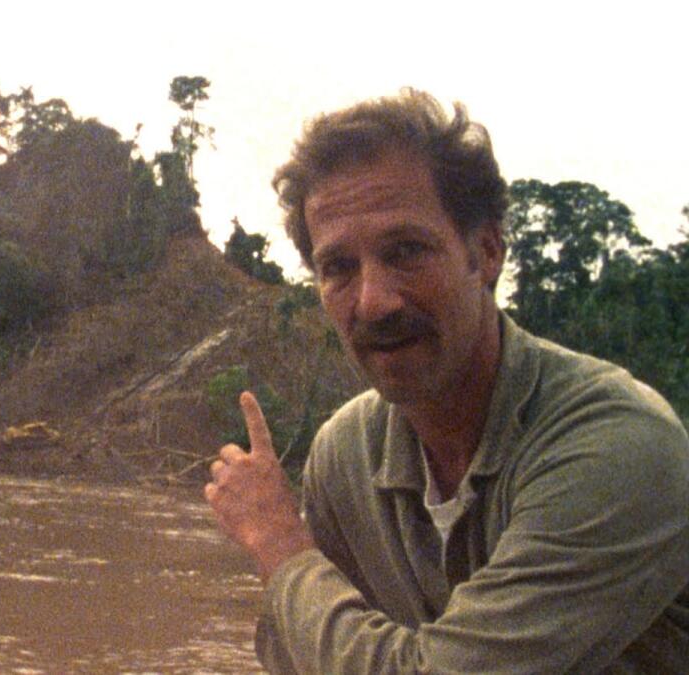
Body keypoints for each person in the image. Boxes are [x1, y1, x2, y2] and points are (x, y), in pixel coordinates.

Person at [204, 88, 689, 673]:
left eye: (406, 251)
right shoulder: (345, 455)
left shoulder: (618, 445)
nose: (374, 301)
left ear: (485, 252)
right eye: (338, 268)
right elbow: (302, 658)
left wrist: (282, 547)